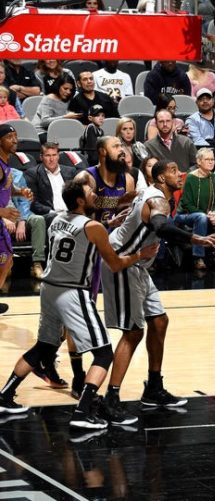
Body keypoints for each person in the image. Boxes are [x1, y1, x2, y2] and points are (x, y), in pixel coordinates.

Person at [0, 181, 159, 427]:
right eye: (89, 193)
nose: (94, 194)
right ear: (81, 201)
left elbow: (80, 233)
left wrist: (108, 225)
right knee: (103, 353)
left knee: (44, 347)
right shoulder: (93, 227)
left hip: (49, 289)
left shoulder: (57, 220)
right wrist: (141, 255)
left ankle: (4, 395)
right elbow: (115, 263)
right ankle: (83, 412)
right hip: (73, 292)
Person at [99, 161, 215, 420]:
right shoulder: (159, 201)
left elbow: (126, 198)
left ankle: (153, 387)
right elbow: (160, 226)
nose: (180, 174)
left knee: (159, 321)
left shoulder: (148, 191)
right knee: (133, 333)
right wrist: (197, 239)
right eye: (174, 171)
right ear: (161, 177)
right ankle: (110, 397)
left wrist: (115, 216)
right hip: (122, 260)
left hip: (140, 264)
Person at [176, 148, 215, 271]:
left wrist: (214, 213)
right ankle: (198, 257)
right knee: (201, 217)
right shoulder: (190, 178)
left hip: (207, 214)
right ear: (199, 161)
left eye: (212, 159)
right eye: (207, 159)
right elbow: (187, 204)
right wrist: (207, 215)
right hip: (187, 214)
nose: (211, 162)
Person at [0, 125, 33, 314]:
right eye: (9, 137)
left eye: (16, 136)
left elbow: (5, 187)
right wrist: (3, 213)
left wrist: (20, 191)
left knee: (7, 260)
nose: (15, 140)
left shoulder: (6, 164)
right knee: (5, 260)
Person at [24, 143, 77, 226]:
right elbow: (33, 202)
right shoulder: (32, 174)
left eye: (54, 155)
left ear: (58, 156)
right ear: (41, 157)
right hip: (50, 215)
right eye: (47, 155)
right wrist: (52, 213)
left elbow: (77, 195)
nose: (51, 159)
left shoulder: (70, 172)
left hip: (71, 213)